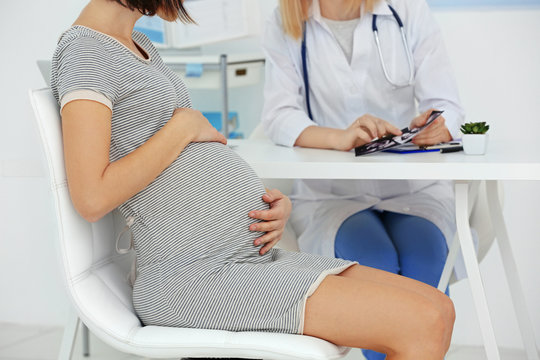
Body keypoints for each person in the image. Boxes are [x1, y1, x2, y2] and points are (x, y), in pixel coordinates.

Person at [50, 0, 455, 358]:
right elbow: (91, 196)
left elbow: (178, 169)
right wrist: (182, 129)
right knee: (418, 321)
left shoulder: (139, 46)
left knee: (438, 309)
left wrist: (261, 205)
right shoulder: (87, 50)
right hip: (193, 277)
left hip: (243, 259)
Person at [262, 0, 464, 358]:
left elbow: (446, 102)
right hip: (333, 194)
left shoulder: (407, 9)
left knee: (426, 259)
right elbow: (279, 115)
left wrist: (440, 124)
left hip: (412, 190)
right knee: (372, 260)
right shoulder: (286, 19)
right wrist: (338, 137)